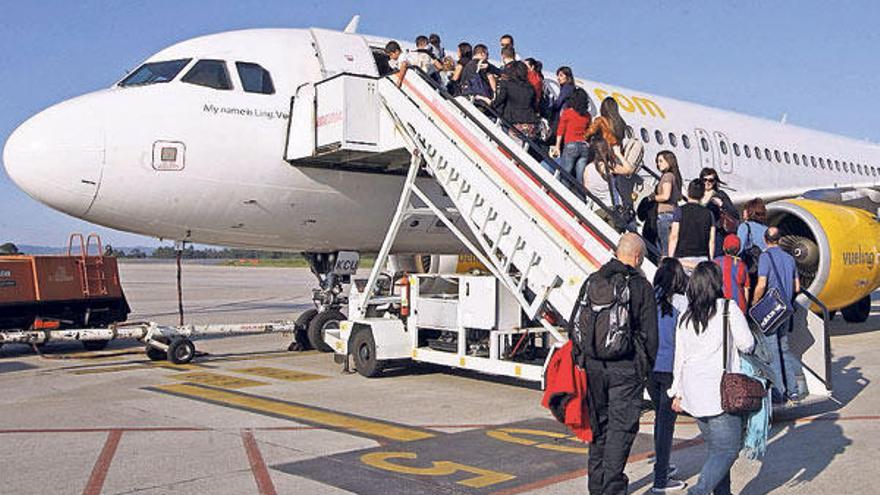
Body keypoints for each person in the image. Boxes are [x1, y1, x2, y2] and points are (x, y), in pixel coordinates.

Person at [582, 233, 658, 495]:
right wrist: (644, 369)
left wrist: (585, 360)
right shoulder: (640, 287)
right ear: (637, 257)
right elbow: (650, 335)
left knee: (599, 429)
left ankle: (596, 486)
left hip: (594, 368)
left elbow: (576, 325)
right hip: (625, 369)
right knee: (620, 430)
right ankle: (612, 489)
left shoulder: (593, 280)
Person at [670, 262, 755, 495]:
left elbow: (680, 358)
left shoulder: (686, 317)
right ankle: (698, 491)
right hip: (720, 391)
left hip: (693, 393)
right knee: (728, 451)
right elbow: (747, 344)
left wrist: (676, 392)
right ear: (717, 283)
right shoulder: (728, 309)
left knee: (716, 450)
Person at [649, 258, 689, 493]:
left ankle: (661, 465)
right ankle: (660, 479)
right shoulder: (681, 302)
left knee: (660, 420)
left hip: (650, 367)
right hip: (670, 367)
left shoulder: (649, 299)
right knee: (666, 424)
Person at [752, 227, 802, 402]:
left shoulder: (765, 257)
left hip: (771, 309)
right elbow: (797, 287)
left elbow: (761, 284)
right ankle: (793, 390)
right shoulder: (789, 258)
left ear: (766, 240)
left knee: (772, 351)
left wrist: (754, 303)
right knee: (785, 350)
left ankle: (779, 391)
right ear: (780, 240)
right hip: (786, 309)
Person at [585, 98, 636, 210]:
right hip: (614, 156)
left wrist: (587, 140)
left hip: (603, 152)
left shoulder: (600, 120)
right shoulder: (620, 123)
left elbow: (589, 133)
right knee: (613, 185)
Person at [668, 179, 716, 274]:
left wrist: (670, 258)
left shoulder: (679, 211)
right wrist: (710, 259)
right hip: (702, 259)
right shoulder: (709, 214)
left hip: (682, 258)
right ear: (702, 194)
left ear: (688, 192)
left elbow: (674, 236)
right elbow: (712, 240)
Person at [550, 88, 591, 182]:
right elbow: (589, 131)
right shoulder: (587, 115)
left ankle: (563, 193)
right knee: (580, 178)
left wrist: (557, 146)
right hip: (584, 146)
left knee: (565, 174)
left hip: (571, 145)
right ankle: (580, 195)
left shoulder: (568, 113)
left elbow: (560, 131)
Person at [491, 61, 539, 141]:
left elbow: (500, 100)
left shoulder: (507, 84)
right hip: (530, 122)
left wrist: (491, 104)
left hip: (513, 121)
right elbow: (534, 105)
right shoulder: (530, 88)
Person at [651, 151, 683, 257]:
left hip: (665, 215)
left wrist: (652, 197)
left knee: (665, 250)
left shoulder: (667, 177)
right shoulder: (674, 176)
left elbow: (665, 196)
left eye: (661, 161)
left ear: (669, 162)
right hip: (673, 212)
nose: (658, 164)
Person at [700, 168, 738, 256]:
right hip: (701, 233)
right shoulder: (698, 195)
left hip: (717, 232)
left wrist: (722, 204)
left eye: (711, 180)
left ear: (715, 182)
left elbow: (735, 213)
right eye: (704, 180)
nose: (707, 183)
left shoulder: (720, 194)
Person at [736, 198, 768, 289]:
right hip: (765, 270)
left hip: (751, 270)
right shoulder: (766, 229)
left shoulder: (745, 227)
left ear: (750, 212)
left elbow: (739, 249)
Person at [714, 234, 750, 313]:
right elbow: (746, 289)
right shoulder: (742, 265)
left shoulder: (717, 261)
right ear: (738, 249)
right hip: (739, 306)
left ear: (723, 247)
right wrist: (745, 309)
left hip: (721, 306)